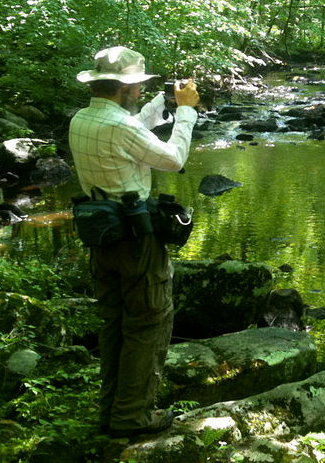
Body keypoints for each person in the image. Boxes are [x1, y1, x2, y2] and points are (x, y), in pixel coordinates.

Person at [68, 46, 199, 439]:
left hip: (100, 236)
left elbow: (131, 131)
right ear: (124, 89)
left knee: (114, 325)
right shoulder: (121, 127)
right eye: (139, 86)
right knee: (148, 323)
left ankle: (111, 411)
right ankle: (133, 417)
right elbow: (173, 158)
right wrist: (187, 111)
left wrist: (165, 101)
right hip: (135, 242)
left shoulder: (83, 119)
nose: (141, 91)